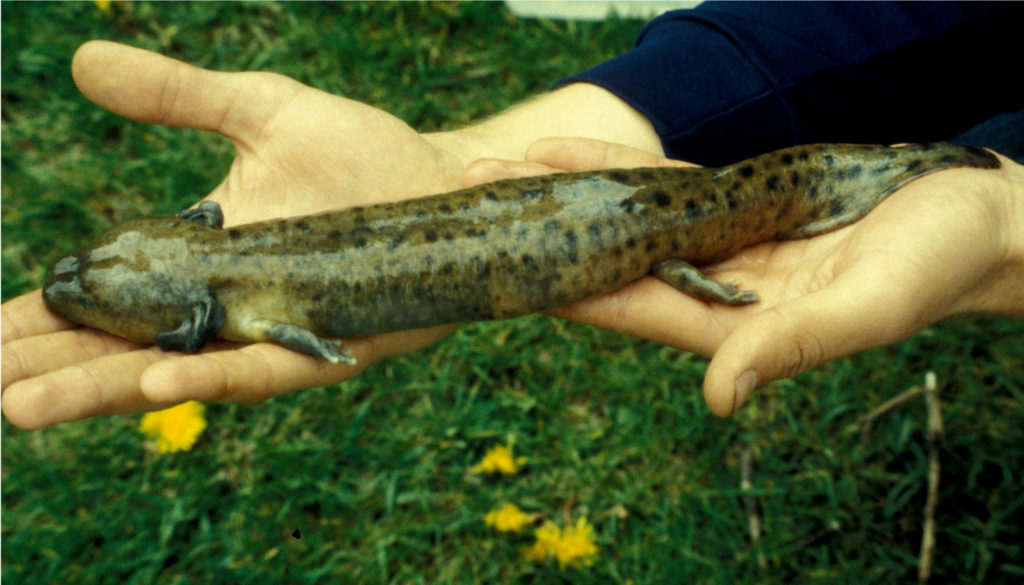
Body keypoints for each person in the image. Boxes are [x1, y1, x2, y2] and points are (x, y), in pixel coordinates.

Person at [2, 3, 1022, 430]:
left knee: (693, 218)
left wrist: (1004, 218)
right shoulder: (218, 268)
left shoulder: (237, 298)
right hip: (618, 214)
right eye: (103, 279)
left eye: (101, 278)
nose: (82, 278)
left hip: (630, 224)